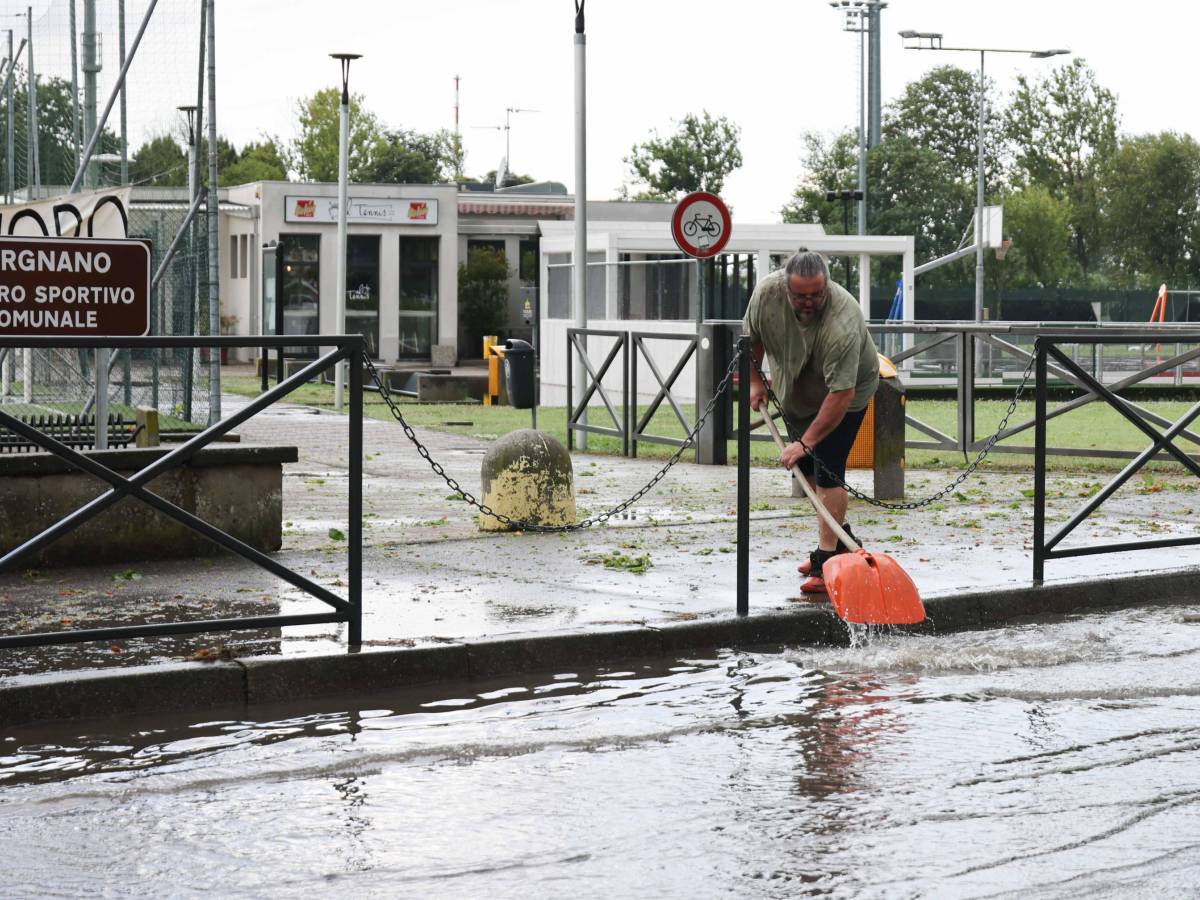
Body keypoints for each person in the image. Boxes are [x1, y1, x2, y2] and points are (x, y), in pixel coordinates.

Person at [743, 248, 879, 594]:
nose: (809, 301)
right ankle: (843, 539)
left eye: (817, 294)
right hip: (798, 390)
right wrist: (756, 381)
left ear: (826, 285)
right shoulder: (766, 295)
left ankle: (826, 561)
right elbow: (752, 340)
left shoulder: (844, 320)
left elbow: (840, 396)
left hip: (846, 395)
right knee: (808, 474)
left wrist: (805, 443)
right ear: (785, 287)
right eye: (801, 295)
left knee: (828, 470)